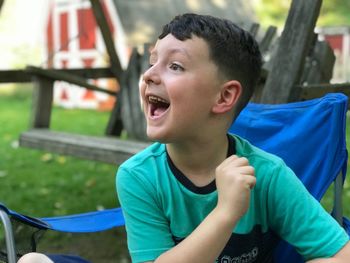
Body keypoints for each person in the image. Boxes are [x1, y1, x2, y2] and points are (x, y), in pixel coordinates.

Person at [18, 13, 350, 263]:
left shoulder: (266, 175)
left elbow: (339, 252)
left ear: (223, 98)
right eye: (152, 63)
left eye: (175, 66)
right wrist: (226, 212)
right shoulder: (140, 176)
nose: (148, 75)